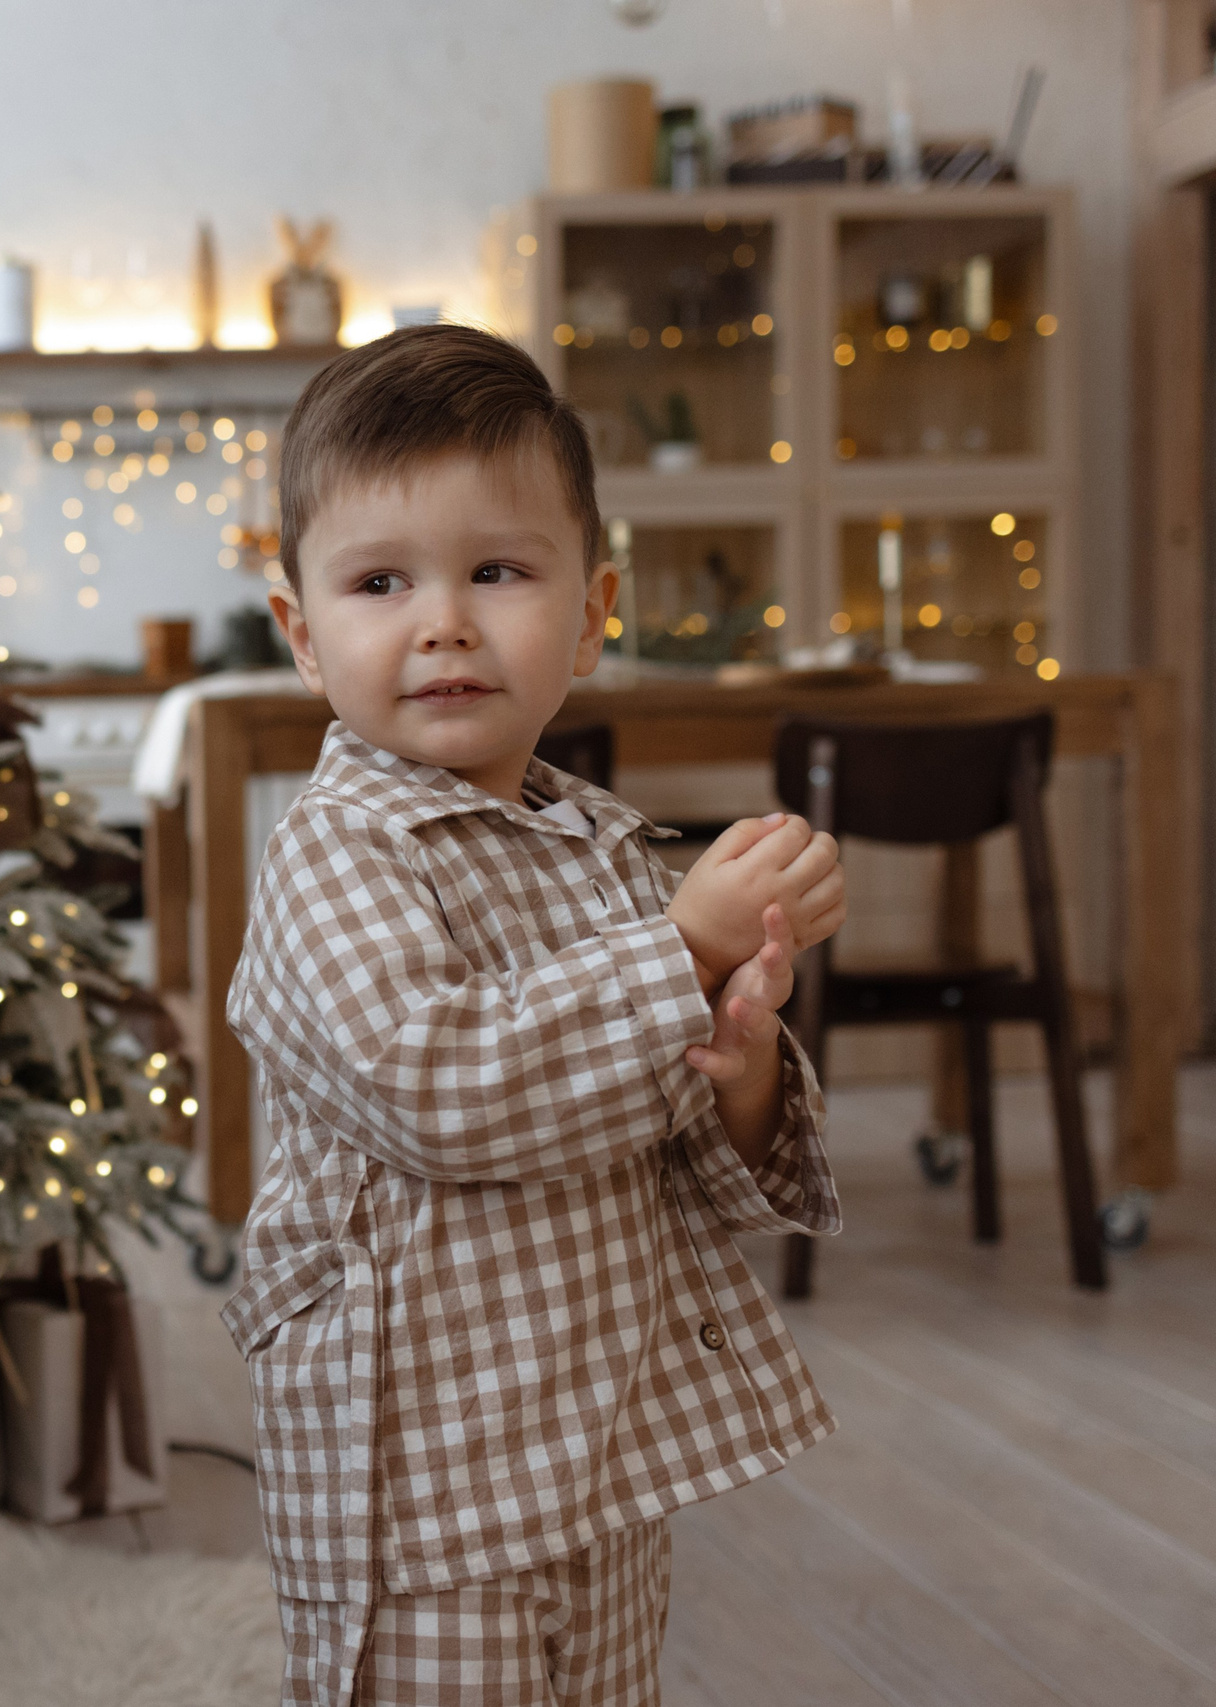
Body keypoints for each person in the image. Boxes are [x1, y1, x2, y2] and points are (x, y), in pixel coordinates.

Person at [226, 324, 847, 1707]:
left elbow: (693, 1167)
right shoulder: (336, 851)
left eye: (497, 572)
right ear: (304, 636)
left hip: (600, 1450)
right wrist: (680, 947)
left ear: (592, 612)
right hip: (416, 1486)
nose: (443, 621)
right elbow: (441, 1088)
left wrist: (740, 1063)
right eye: (380, 582)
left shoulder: (599, 850)